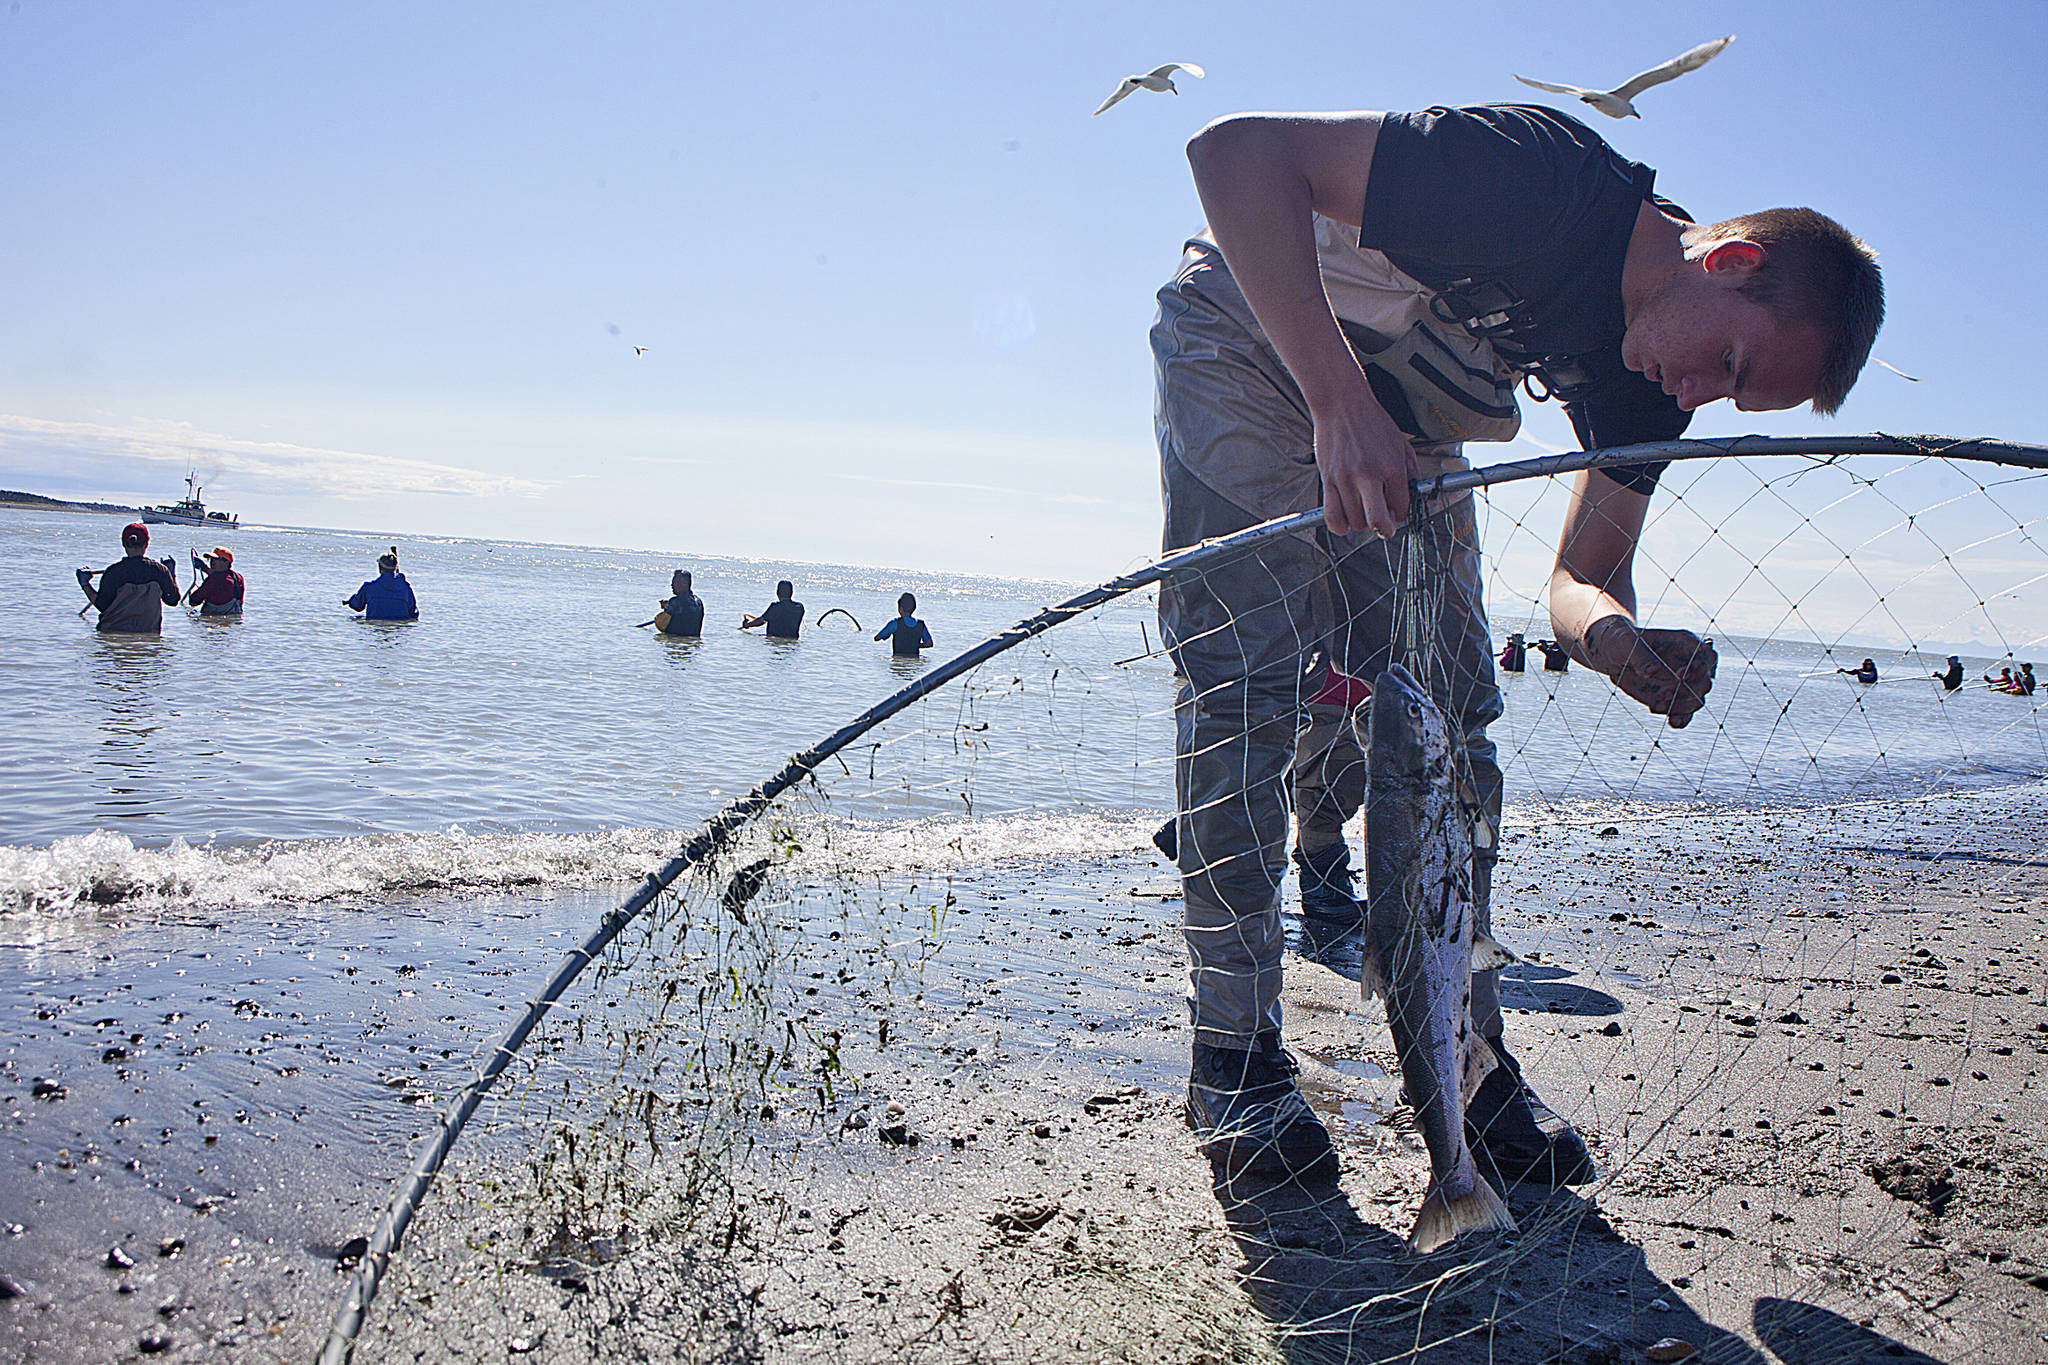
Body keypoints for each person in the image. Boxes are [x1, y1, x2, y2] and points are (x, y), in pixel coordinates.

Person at [1156, 100, 1881, 1190]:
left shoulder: (1647, 388)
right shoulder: (1543, 182)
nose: (1696, 398)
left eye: (1727, 398)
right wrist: (1335, 400)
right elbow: (1234, 152)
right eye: (1725, 364)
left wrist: (1620, 643)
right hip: (1253, 337)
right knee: (1245, 690)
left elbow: (1579, 579)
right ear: (1726, 259)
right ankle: (1234, 1060)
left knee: (1454, 720)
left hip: (1400, 410)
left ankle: (1463, 1053)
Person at [78, 522, 179, 633]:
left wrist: (85, 584)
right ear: (146, 544)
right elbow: (172, 600)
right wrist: (171, 574)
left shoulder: (114, 572)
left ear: (124, 544)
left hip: (113, 632)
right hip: (148, 633)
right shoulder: (160, 571)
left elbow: (102, 605)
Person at [345, 548, 419, 621]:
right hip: (399, 630)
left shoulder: (368, 587)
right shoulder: (406, 589)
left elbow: (357, 606)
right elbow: (414, 614)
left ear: (380, 568)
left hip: (375, 628)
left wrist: (351, 600)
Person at [185, 546, 245, 616]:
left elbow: (193, 601)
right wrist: (205, 569)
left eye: (215, 559)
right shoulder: (238, 577)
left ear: (226, 562)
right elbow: (222, 577)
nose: (212, 562)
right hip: (234, 617)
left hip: (214, 616)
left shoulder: (213, 580)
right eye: (211, 559)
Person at [874, 592, 933, 656]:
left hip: (898, 660)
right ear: (914, 608)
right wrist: (916, 645)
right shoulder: (920, 625)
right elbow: (929, 643)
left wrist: (887, 635)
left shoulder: (894, 623)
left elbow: (877, 638)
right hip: (914, 661)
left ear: (900, 609)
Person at [659, 570, 705, 638]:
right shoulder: (698, 602)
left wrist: (667, 608)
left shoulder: (674, 602)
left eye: (675, 582)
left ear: (685, 584)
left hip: (675, 641)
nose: (672, 585)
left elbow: (661, 625)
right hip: (693, 643)